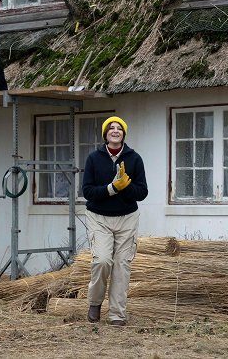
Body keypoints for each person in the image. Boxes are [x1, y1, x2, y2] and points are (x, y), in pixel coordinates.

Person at [82, 116, 148, 326]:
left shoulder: (134, 158)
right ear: (105, 134)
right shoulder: (93, 158)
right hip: (99, 217)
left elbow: (142, 192)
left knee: (121, 265)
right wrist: (112, 188)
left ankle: (117, 315)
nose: (115, 131)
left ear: (123, 134)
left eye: (119, 128)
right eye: (111, 128)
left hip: (127, 218)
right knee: (102, 260)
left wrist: (125, 186)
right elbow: (87, 192)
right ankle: (94, 304)